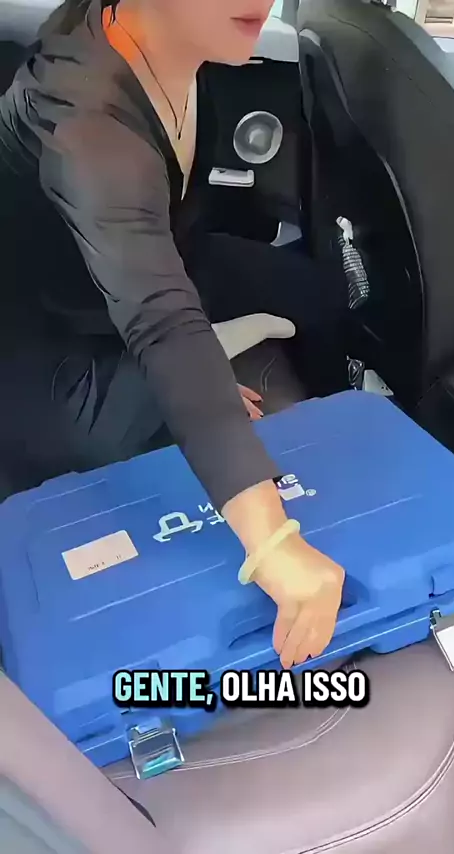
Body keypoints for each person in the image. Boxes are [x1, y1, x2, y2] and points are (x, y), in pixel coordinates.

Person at [0, 0, 347, 668]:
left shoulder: (187, 44)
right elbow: (162, 322)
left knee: (320, 294)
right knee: (118, 425)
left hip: (148, 264)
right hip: (47, 343)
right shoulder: (84, 122)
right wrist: (274, 544)